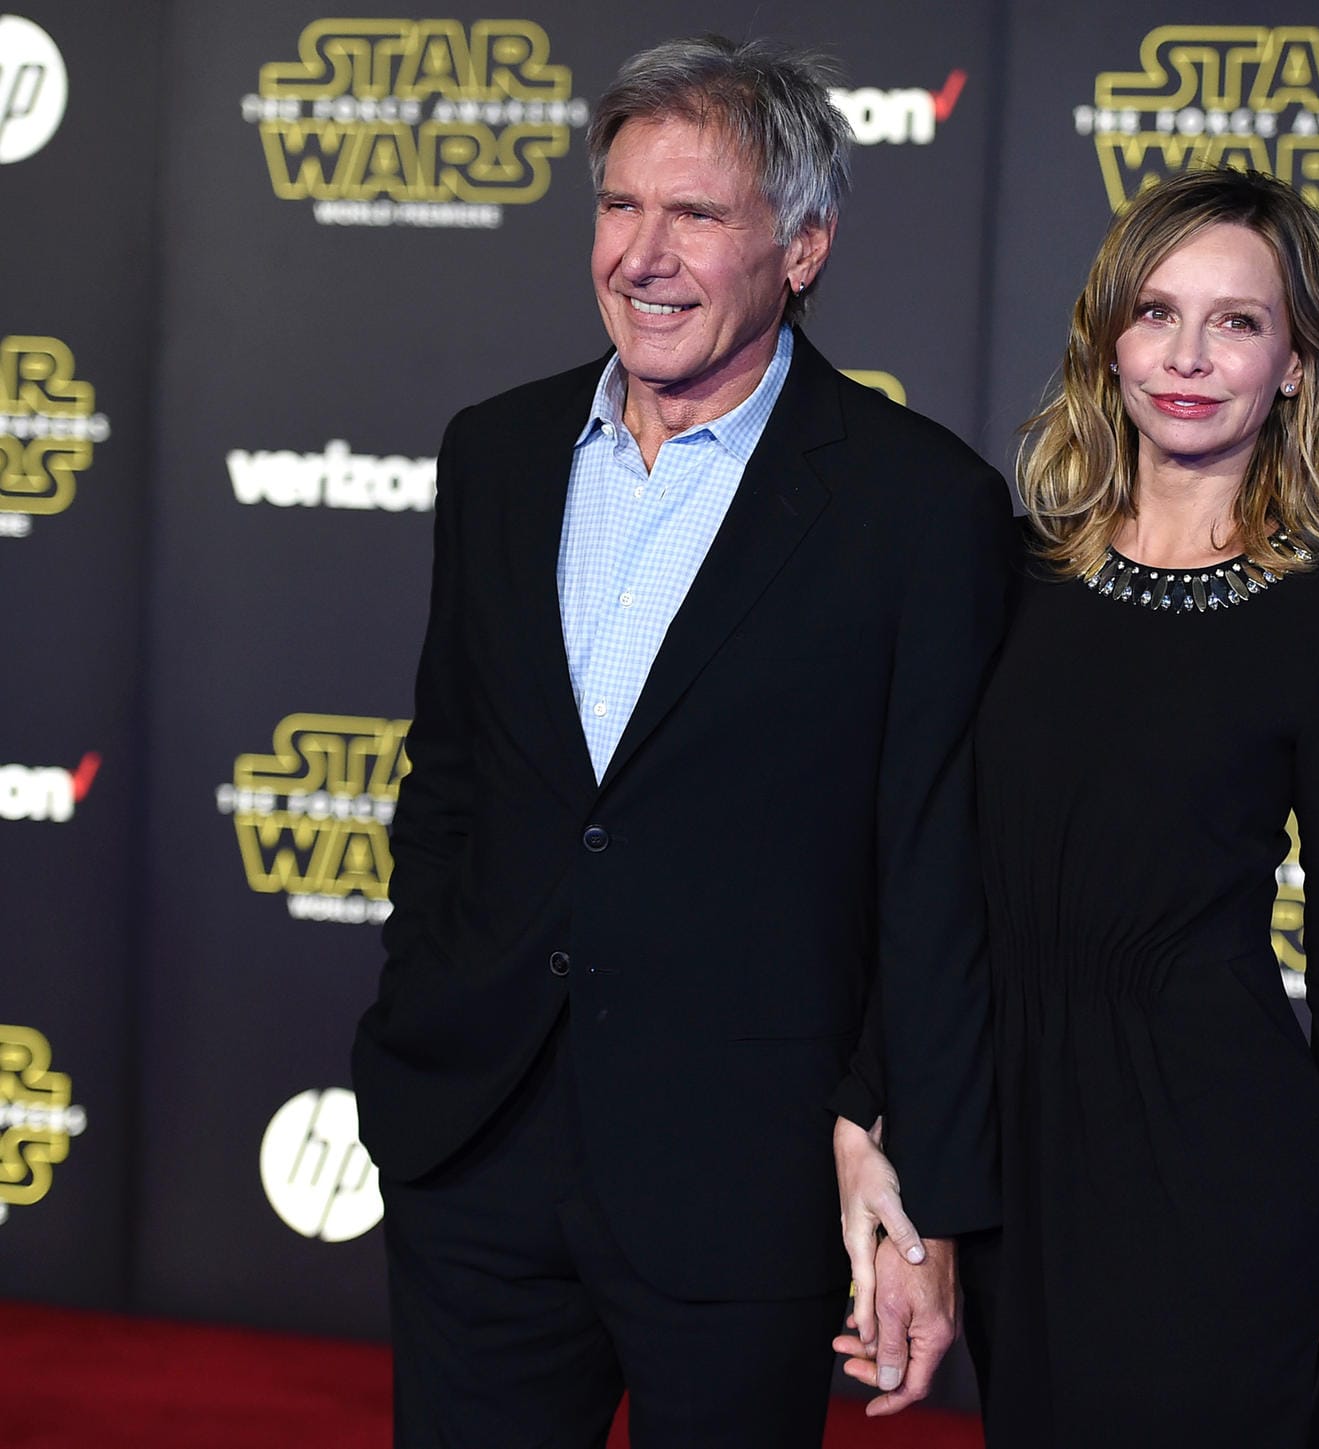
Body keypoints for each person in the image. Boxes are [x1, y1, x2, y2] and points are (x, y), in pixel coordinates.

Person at [350, 36, 1012, 1447]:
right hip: (478, 1140)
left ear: (806, 245)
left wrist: (903, 1156)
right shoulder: (500, 454)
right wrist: (421, 998)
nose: (643, 256)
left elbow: (935, 863)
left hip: (750, 1177)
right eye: (619, 207)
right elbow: (453, 770)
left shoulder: (920, 508)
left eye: (697, 216)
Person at [975, 167, 1319, 1446]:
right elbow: (926, 875)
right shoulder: (1003, 584)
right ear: (1107, 339)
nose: (1189, 357)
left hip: (1216, 1159)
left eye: (1238, 322)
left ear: (1295, 363)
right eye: (1157, 312)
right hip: (1016, 1146)